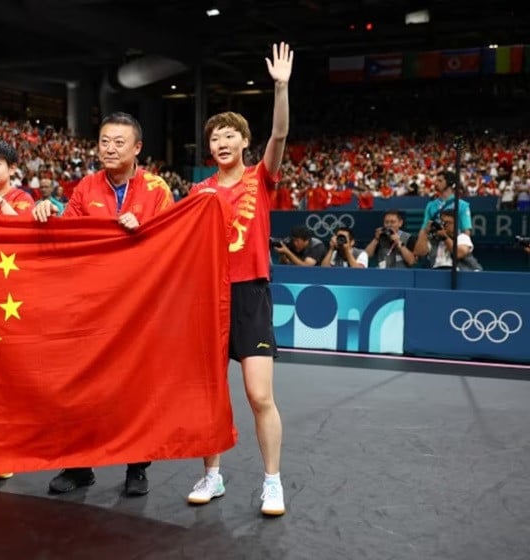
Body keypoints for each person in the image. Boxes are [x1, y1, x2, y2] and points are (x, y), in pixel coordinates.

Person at [32, 111, 174, 496]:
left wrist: (142, 232)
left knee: (135, 389)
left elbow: (173, 243)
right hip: (92, 307)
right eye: (104, 142)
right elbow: (70, 236)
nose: (109, 149)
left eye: (118, 143)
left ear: (137, 148)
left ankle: (137, 467)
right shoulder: (85, 187)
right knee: (83, 387)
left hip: (140, 308)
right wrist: (48, 212)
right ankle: (80, 467)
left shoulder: (157, 189)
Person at [185, 42, 292, 516]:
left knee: (258, 394)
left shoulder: (260, 178)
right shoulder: (198, 191)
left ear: (243, 142)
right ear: (209, 148)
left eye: (230, 135)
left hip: (250, 294)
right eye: (215, 138)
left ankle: (273, 482)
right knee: (209, 395)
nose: (222, 143)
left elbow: (282, 135)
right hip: (208, 298)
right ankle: (212, 474)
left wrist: (281, 86)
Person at [413, 208, 480, 270]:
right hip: (437, 273)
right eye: (443, 222)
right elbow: (419, 252)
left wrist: (445, 237)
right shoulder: (434, 240)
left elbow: (459, 253)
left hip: (461, 274)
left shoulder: (462, 237)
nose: (445, 225)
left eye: (449, 222)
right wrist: (425, 232)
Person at [422, 171, 472, 236]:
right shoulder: (430, 205)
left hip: (454, 243)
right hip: (434, 244)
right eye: (436, 180)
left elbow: (466, 231)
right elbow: (424, 229)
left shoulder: (462, 205)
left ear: (450, 183)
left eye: (440, 181)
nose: (436, 183)